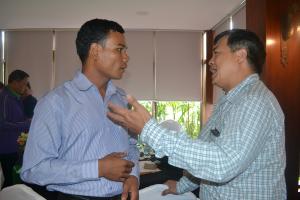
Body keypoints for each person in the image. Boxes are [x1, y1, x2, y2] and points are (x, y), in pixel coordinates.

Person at [107, 29, 286, 199]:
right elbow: (206, 153)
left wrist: (150, 129)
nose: (210, 61)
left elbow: (222, 165)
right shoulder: (229, 102)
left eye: (216, 53)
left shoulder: (254, 101)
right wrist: (182, 185)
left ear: (240, 55)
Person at [21, 19, 139, 200]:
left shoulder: (122, 99)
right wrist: (98, 168)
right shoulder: (54, 102)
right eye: (119, 49)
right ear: (95, 51)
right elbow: (34, 170)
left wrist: (133, 175)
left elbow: (130, 146)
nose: (126, 57)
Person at [0, 70, 31, 187]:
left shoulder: (15, 97)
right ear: (14, 82)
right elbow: (2, 124)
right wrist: (26, 123)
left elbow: (17, 118)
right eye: (24, 83)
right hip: (6, 148)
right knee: (10, 182)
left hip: (15, 146)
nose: (25, 87)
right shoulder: (4, 97)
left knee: (13, 181)